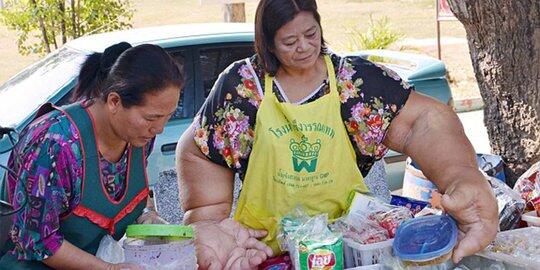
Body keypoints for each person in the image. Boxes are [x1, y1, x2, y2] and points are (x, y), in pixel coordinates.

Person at [176, 0, 499, 268]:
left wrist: (461, 177)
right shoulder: (243, 86)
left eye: (311, 34)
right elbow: (200, 149)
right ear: (268, 43)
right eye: (289, 42)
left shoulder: (353, 81)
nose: (303, 47)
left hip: (351, 247)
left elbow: (424, 120)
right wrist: (206, 222)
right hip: (260, 250)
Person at [0, 42, 183, 269]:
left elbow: (132, 196)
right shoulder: (55, 145)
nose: (159, 128)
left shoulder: (138, 137)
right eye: (151, 118)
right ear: (114, 101)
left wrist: (149, 219)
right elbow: (37, 240)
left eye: (168, 116)